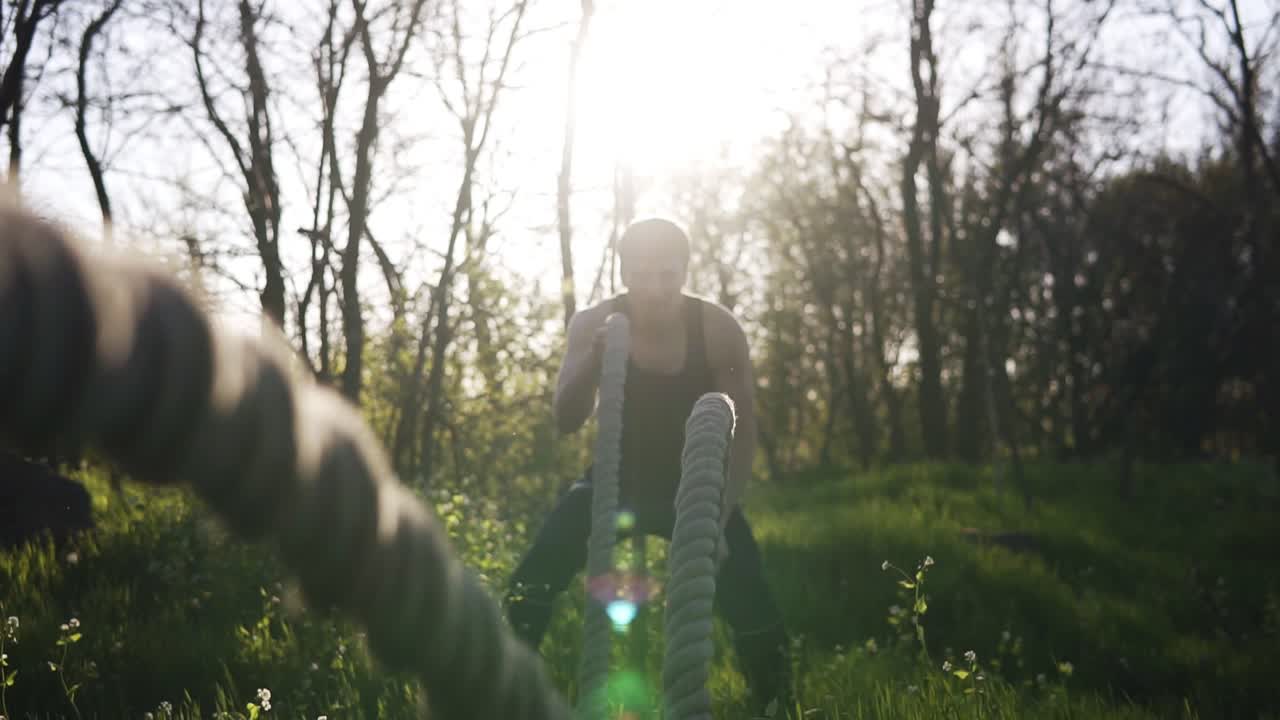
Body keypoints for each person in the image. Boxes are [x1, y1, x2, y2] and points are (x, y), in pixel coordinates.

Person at [503, 218, 794, 716]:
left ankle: (776, 703)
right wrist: (594, 363)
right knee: (536, 575)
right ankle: (500, 694)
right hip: (615, 482)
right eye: (643, 272)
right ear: (624, 271)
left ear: (683, 270)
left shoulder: (717, 328)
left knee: (748, 589)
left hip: (699, 488)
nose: (657, 286)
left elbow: (743, 430)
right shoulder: (594, 323)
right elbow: (566, 419)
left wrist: (722, 514)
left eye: (668, 272)